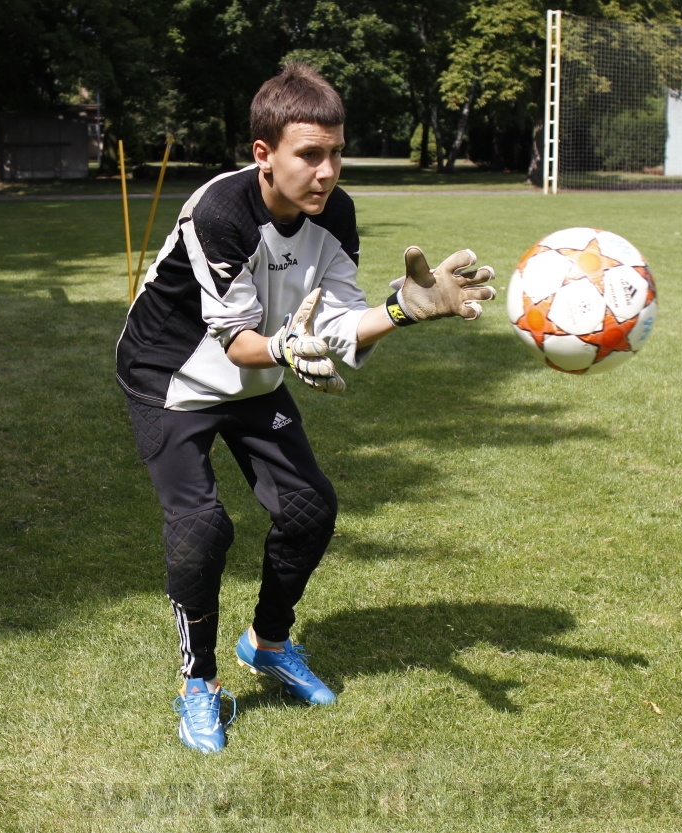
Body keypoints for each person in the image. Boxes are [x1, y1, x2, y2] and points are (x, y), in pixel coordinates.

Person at [116, 62, 496, 753]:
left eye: (336, 153)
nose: (326, 171)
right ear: (264, 154)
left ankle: (268, 639)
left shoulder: (336, 214)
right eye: (309, 155)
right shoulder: (220, 213)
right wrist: (293, 346)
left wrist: (406, 309)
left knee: (310, 508)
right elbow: (238, 344)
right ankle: (197, 683)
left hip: (265, 368)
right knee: (201, 526)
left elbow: (343, 327)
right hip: (170, 375)